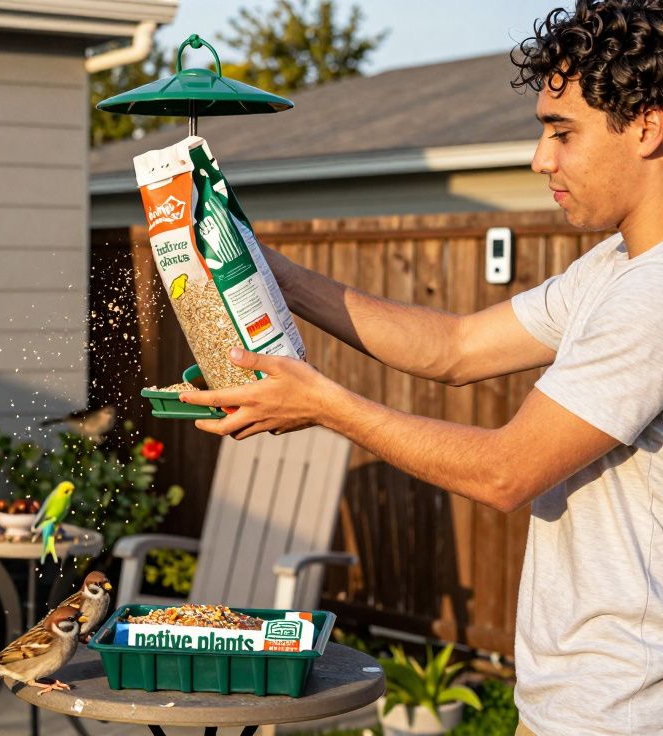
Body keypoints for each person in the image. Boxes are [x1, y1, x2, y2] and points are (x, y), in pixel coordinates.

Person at [179, 2, 663, 734]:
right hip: (572, 703)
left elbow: (507, 472)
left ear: (648, 128)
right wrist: (260, 265)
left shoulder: (652, 296)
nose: (540, 158)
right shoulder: (616, 269)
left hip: (621, 713)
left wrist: (324, 406)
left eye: (562, 132)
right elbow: (455, 348)